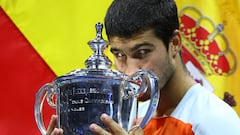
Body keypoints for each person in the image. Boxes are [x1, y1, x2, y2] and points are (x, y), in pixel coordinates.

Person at [47, 0, 240, 134]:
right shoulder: (124, 114)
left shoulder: (215, 121)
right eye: (119, 54)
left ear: (174, 43)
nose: (130, 72)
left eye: (141, 53)